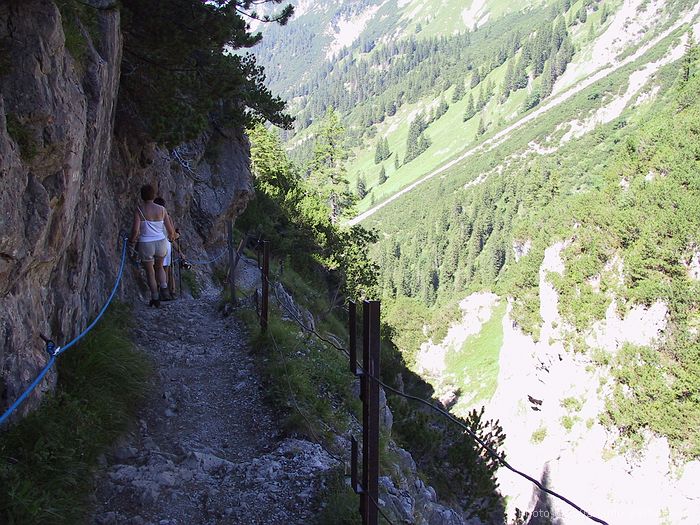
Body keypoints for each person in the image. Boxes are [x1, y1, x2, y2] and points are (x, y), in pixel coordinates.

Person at [128, 184, 176, 307]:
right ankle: (164, 288)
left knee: (150, 272)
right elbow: (170, 230)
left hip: (146, 243)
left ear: (142, 196)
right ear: (153, 195)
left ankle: (155, 298)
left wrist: (132, 241)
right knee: (160, 267)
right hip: (161, 241)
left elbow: (135, 230)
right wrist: (171, 237)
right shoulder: (162, 210)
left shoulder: (139, 210)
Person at [153, 197, 178, 299]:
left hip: (153, 242)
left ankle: (156, 290)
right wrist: (177, 235)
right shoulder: (167, 216)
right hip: (166, 243)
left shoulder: (150, 216)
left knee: (155, 269)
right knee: (165, 269)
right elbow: (172, 234)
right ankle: (165, 291)